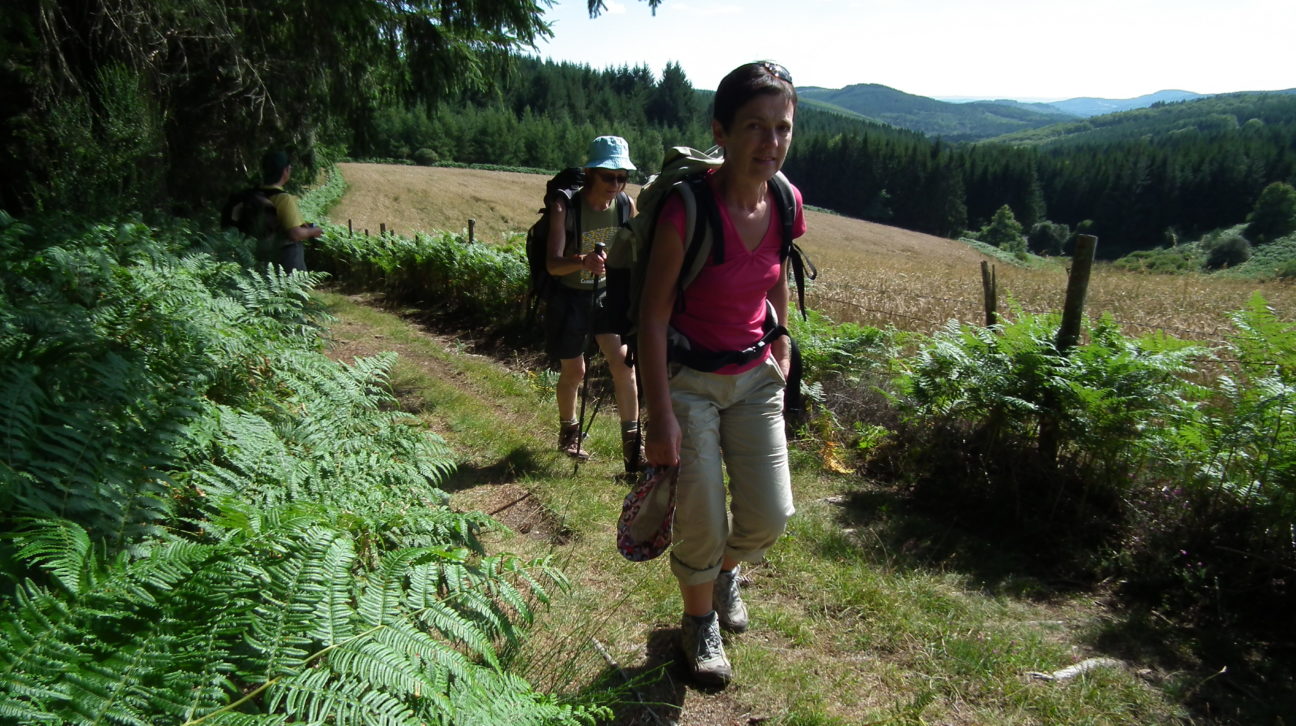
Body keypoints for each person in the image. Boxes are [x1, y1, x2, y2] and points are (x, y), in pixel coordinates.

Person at [638, 62, 804, 687]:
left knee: (770, 514)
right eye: (755, 127)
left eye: (782, 128)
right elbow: (652, 320)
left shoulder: (786, 200)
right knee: (703, 510)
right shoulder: (688, 210)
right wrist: (659, 418)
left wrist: (783, 342)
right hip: (688, 378)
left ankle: (727, 571)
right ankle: (697, 620)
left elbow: (777, 275)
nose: (770, 142)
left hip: (755, 372)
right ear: (722, 132)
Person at [544, 136, 642, 474]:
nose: (616, 184)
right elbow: (553, 265)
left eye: (622, 177)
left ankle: (633, 452)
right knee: (575, 371)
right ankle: (568, 433)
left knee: (623, 363)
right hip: (570, 296)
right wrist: (582, 261)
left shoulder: (626, 206)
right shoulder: (565, 205)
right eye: (608, 176)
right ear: (590, 173)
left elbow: (632, 254)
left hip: (606, 296)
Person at [259, 150, 323, 272]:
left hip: (264, 257)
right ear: (285, 171)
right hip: (286, 261)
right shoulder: (283, 198)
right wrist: (314, 231)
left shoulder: (258, 194)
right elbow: (295, 234)